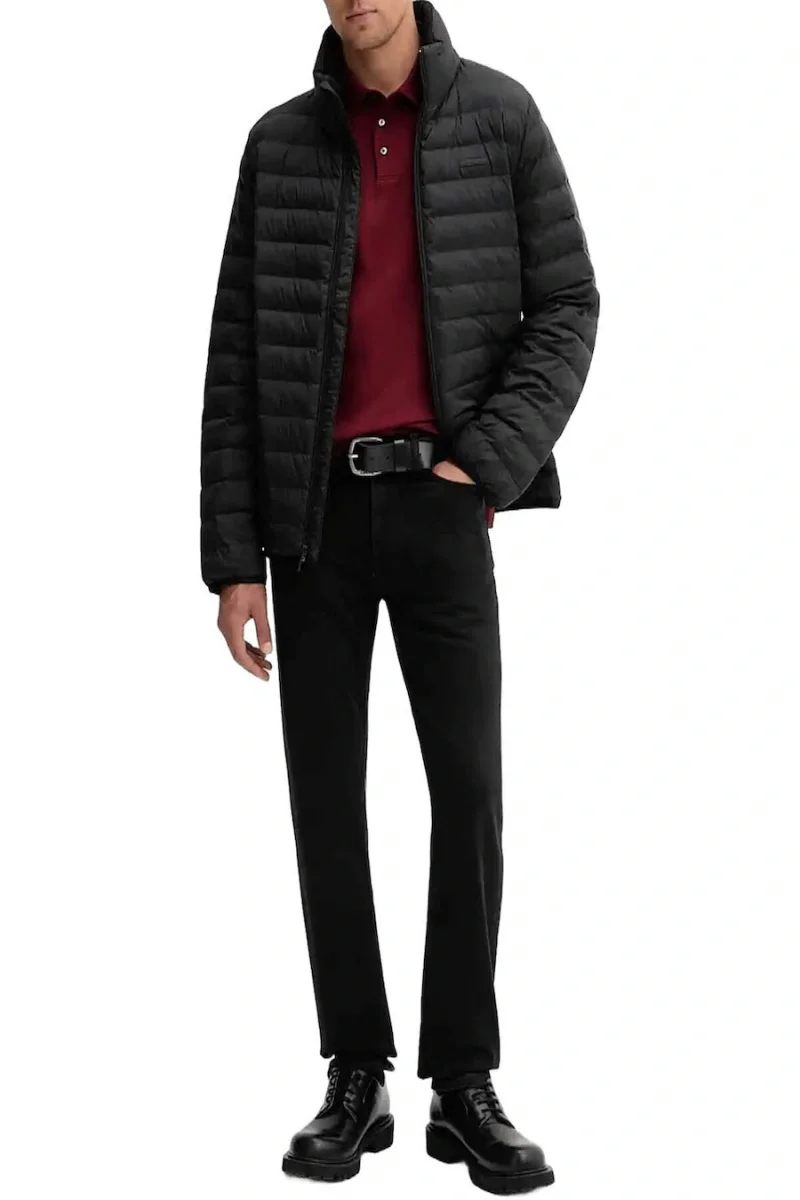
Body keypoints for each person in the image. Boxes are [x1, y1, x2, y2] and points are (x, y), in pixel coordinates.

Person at [200, 1, 598, 1191]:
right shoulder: (279, 142)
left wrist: (486, 462)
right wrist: (232, 559)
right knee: (326, 798)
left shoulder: (498, 116)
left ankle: (462, 1084)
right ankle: (354, 1071)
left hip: (440, 504)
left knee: (467, 792)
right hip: (309, 519)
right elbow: (235, 355)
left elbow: (566, 302)